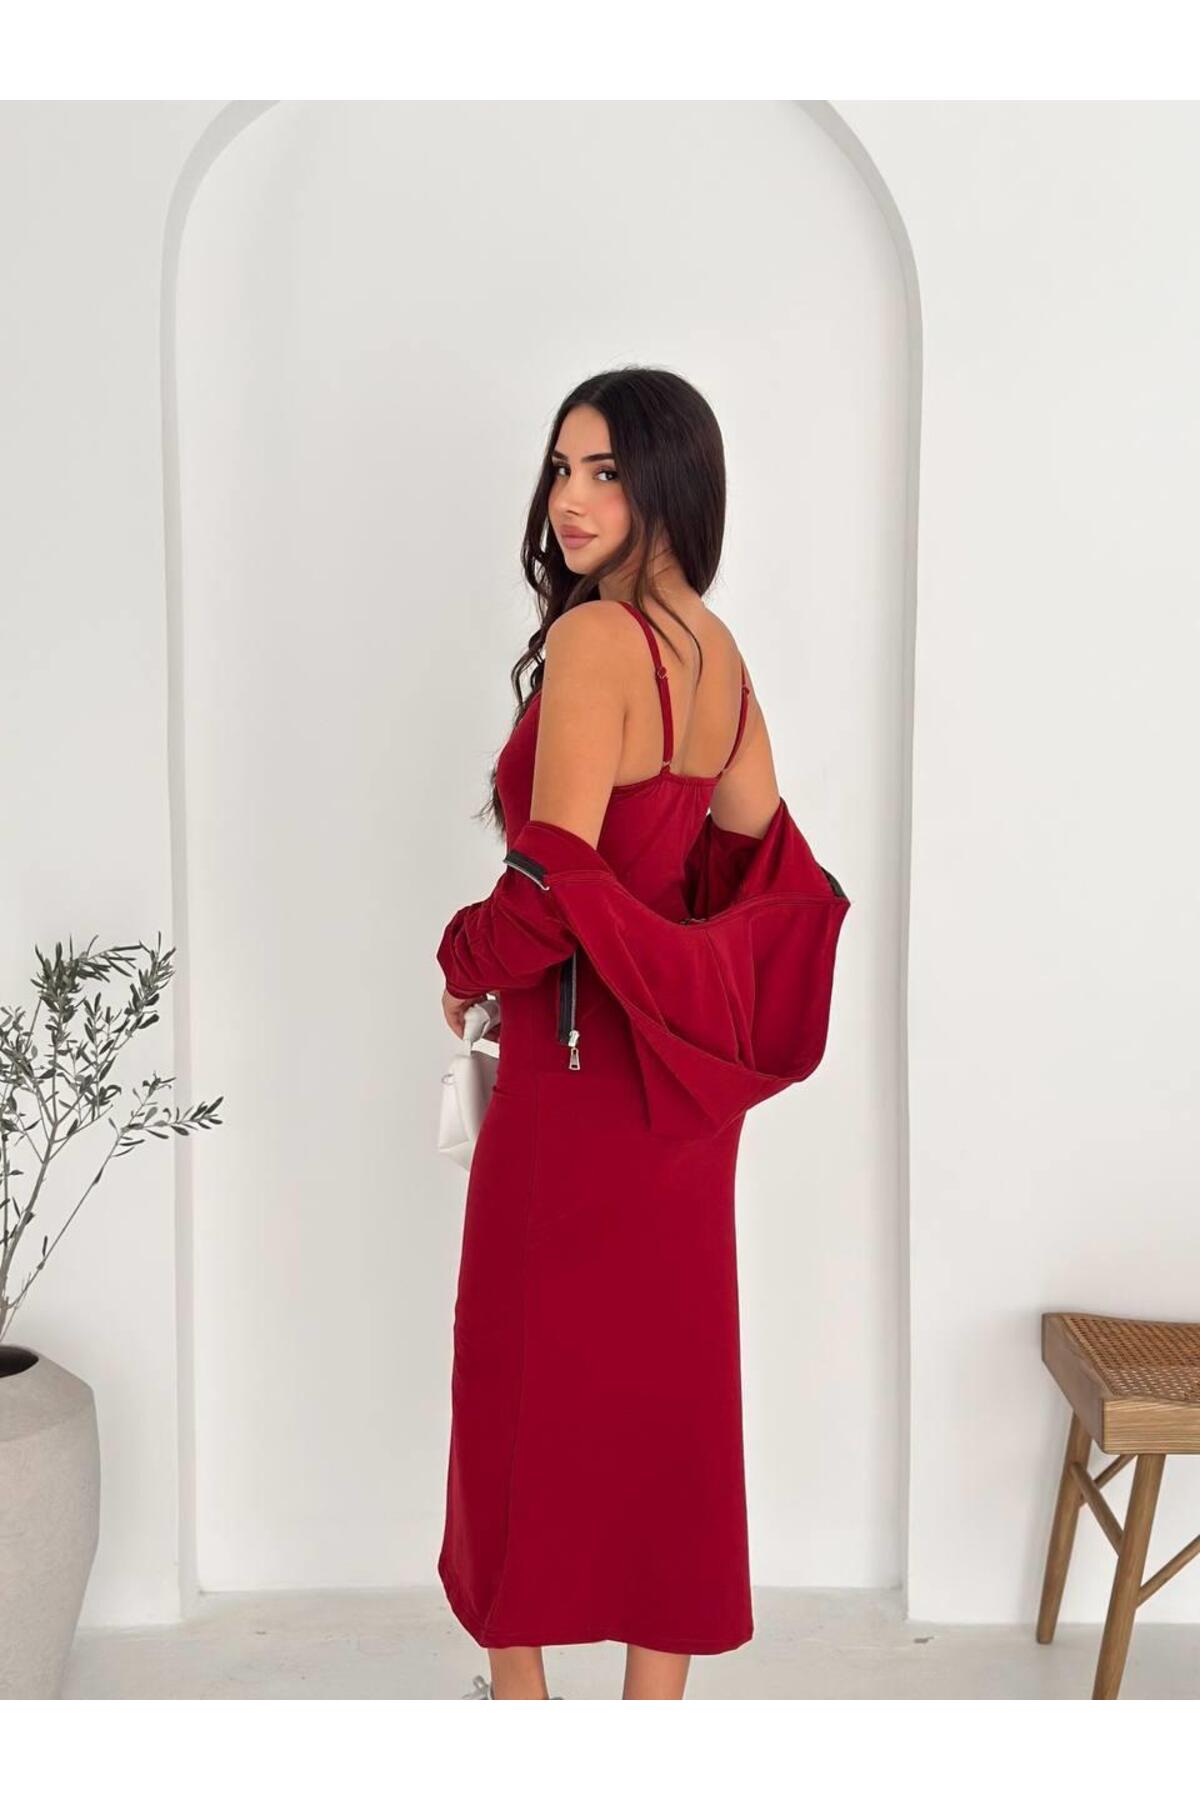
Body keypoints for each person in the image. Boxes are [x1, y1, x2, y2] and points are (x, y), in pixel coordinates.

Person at [436, 366, 785, 1702]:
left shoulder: (596, 641)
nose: (570, 500)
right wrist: (675, 964)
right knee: (669, 1405)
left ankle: (523, 1712)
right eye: (561, 468)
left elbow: (548, 890)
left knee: (514, 1386)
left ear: (671, 484)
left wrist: (459, 961)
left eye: (607, 472)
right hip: (680, 1106)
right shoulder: (717, 651)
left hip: (570, 1092)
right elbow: (755, 863)